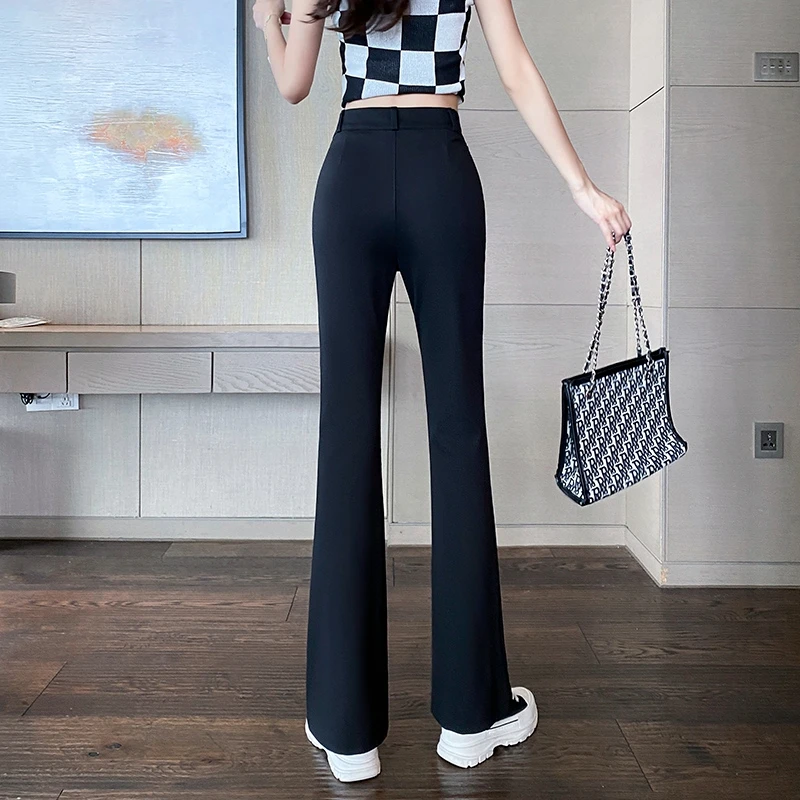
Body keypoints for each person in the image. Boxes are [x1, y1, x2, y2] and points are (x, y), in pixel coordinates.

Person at [252, 0, 632, 783]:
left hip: (351, 175)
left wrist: (266, 18)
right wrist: (583, 188)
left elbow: (293, 82)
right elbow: (515, 66)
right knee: (458, 432)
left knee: (346, 437)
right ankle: (470, 718)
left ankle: (347, 731)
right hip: (440, 173)